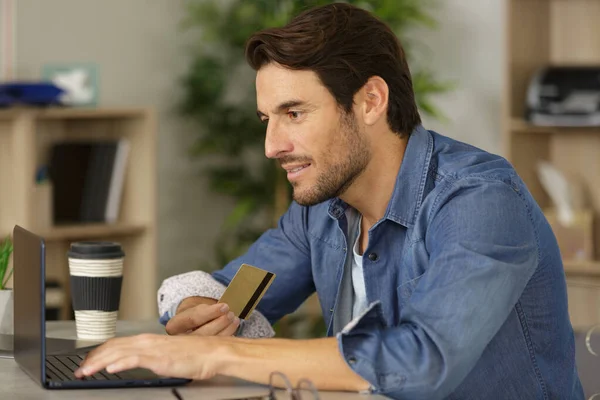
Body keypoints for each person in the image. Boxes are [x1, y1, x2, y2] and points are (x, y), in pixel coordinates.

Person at [75, 3, 584, 399]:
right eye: (266, 119)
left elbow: (422, 360)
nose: (272, 146)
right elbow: (230, 291)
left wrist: (216, 355)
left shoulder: (478, 199)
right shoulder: (321, 207)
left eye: (294, 113)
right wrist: (198, 310)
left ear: (369, 102)